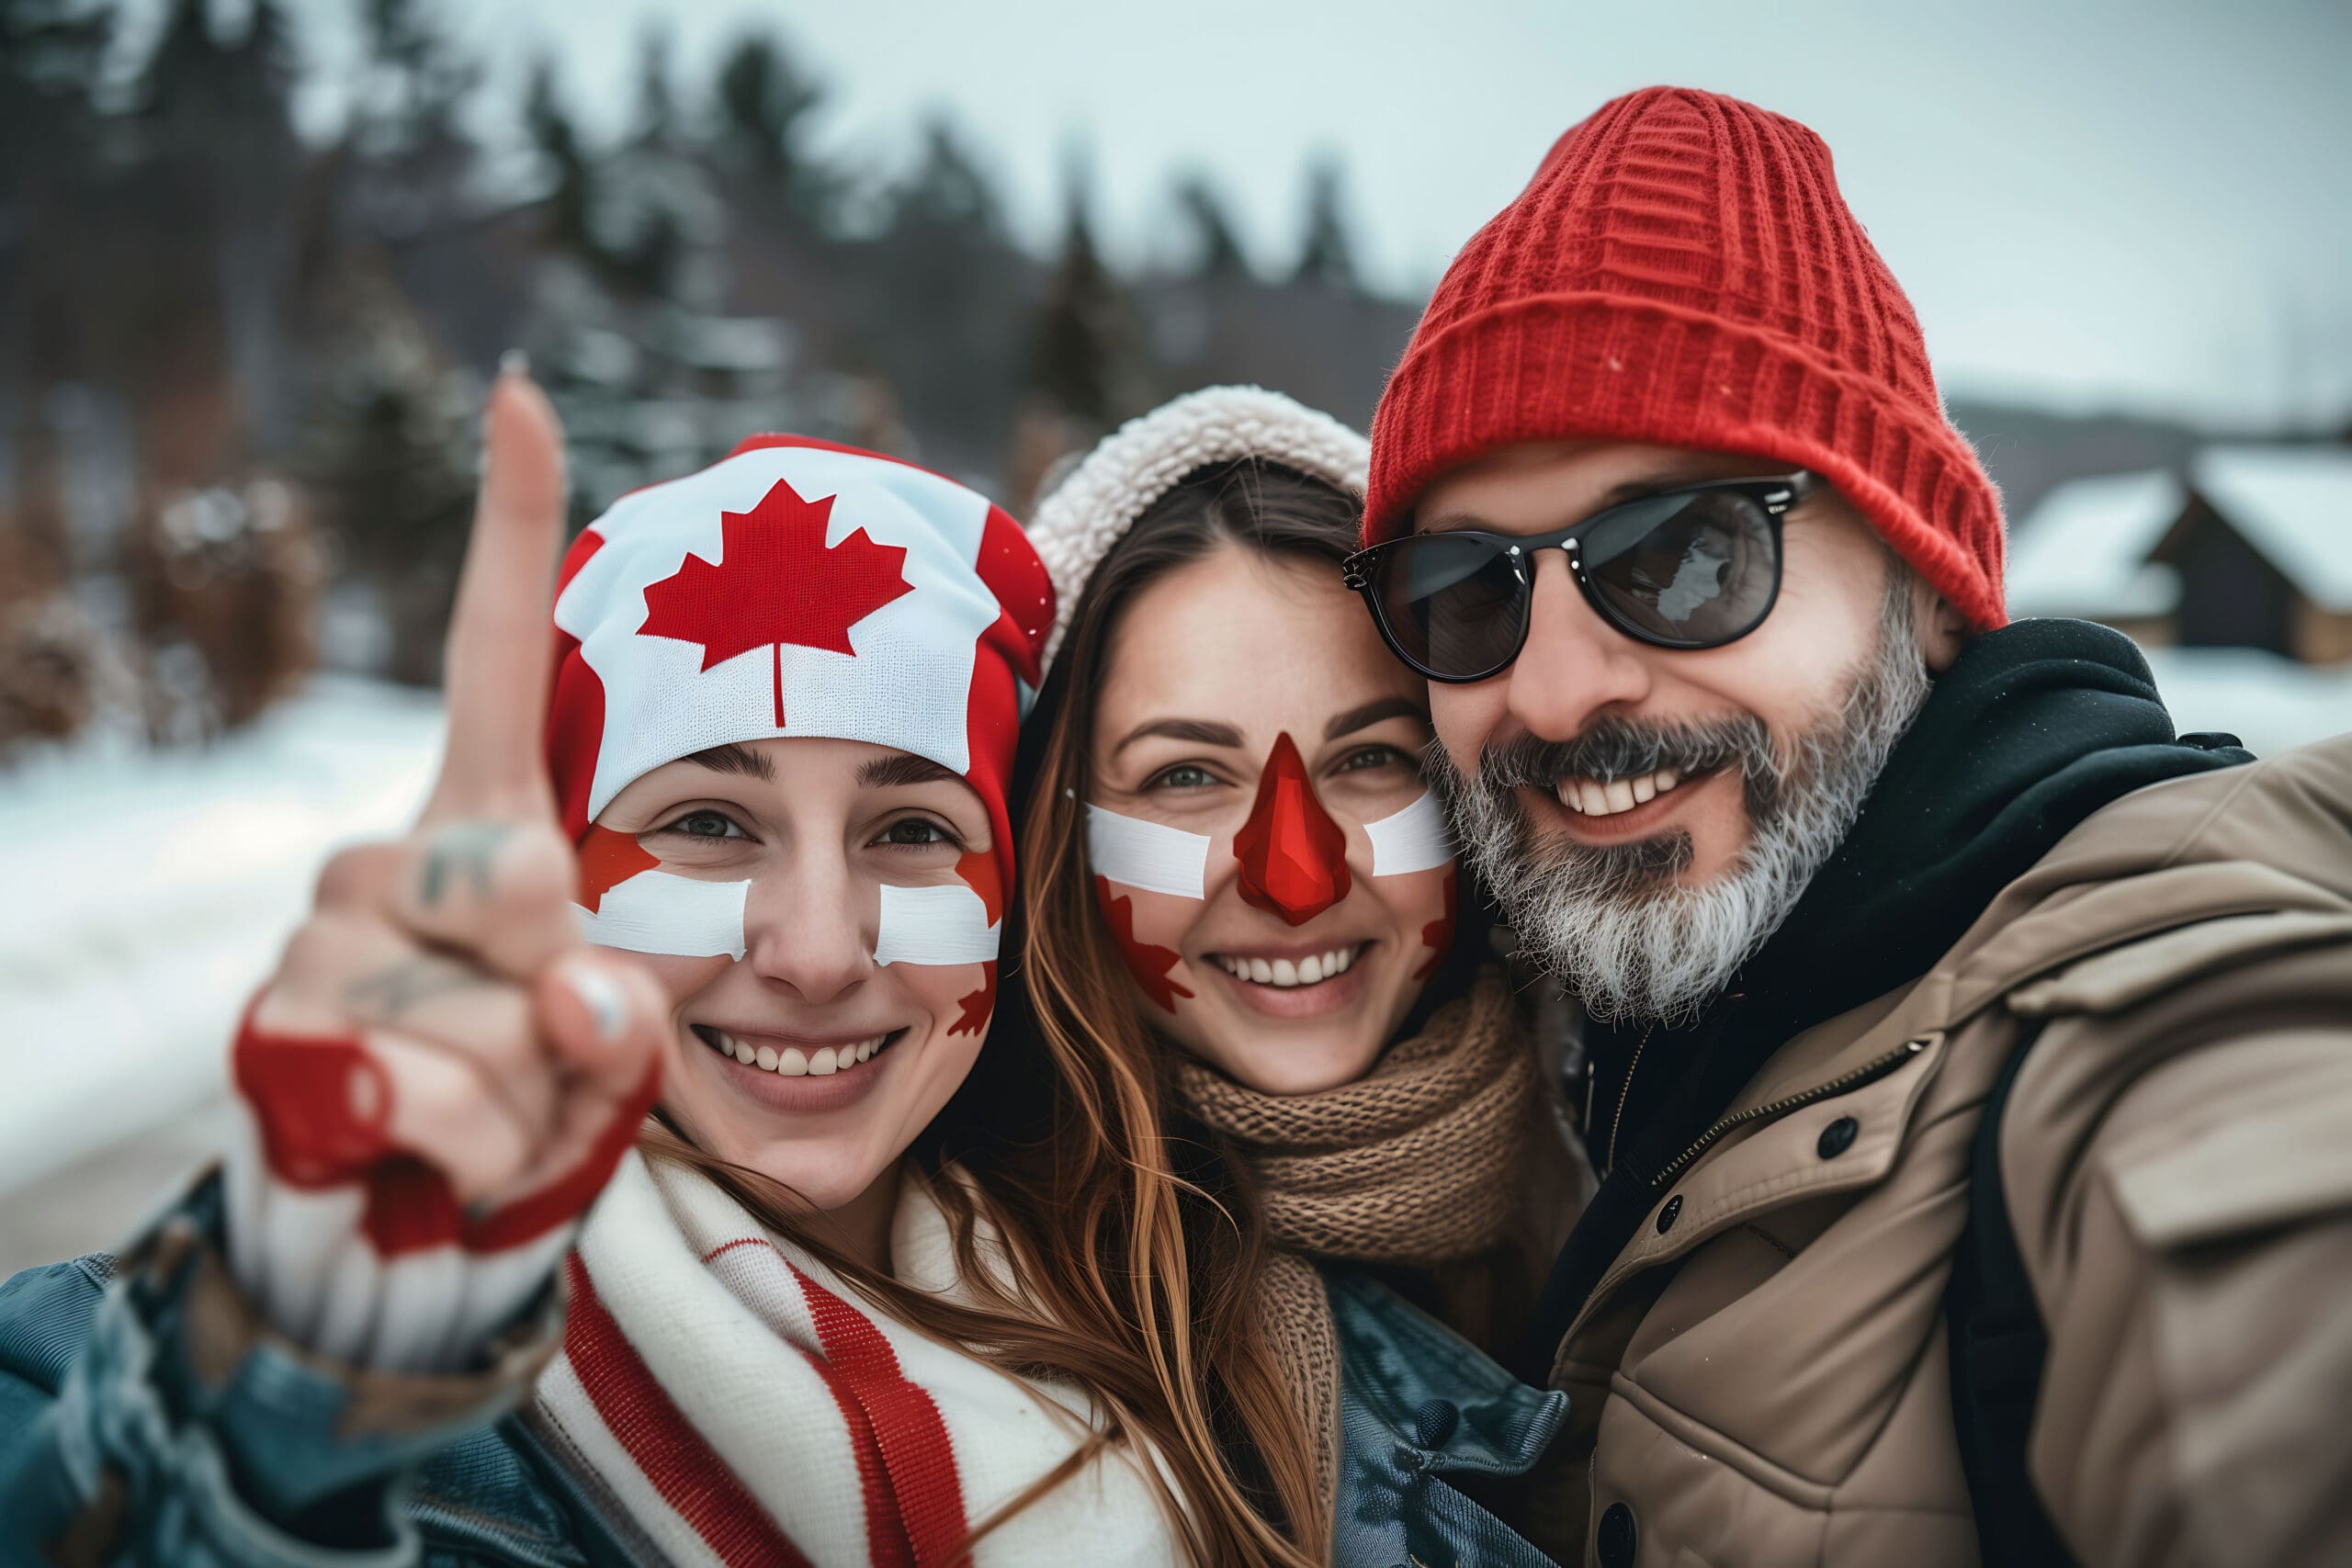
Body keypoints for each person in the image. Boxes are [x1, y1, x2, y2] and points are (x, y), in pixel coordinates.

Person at [0, 371, 1318, 1566]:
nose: (812, 951)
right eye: (706, 825)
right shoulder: (284, 1335)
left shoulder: (1190, 1303)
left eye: (913, 830)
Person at [1345, 86, 2352, 1567]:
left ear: (1926, 590)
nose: (1554, 693)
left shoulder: (2155, 1021)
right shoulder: (1582, 1038)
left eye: (1683, 554)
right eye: (1468, 590)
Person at [1013, 386, 1580, 1566]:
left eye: (1371, 758)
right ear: (1060, 826)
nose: (1296, 876)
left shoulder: (1630, 1172)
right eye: (1183, 776)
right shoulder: (979, 1314)